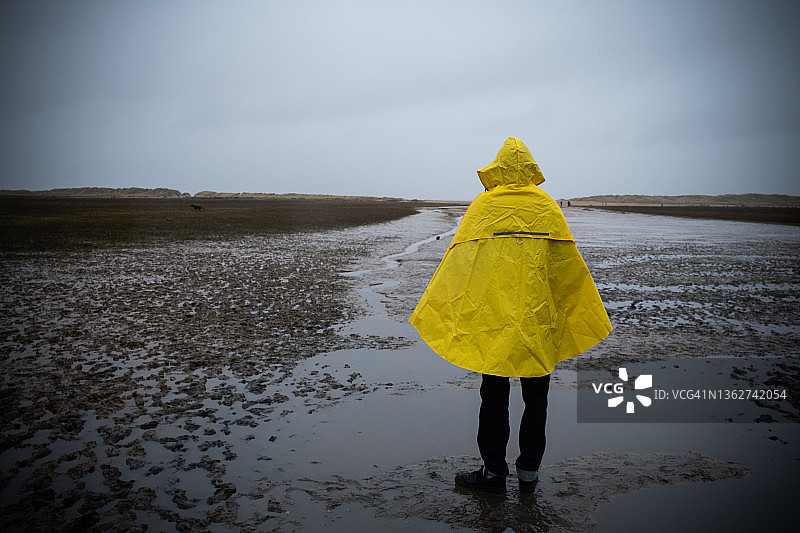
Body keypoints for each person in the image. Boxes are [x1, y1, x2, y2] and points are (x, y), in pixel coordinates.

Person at [409, 137, 612, 494]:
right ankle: (529, 472)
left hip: (494, 323)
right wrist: (570, 312)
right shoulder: (548, 209)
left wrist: (441, 307)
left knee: (494, 395)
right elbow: (567, 272)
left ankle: (493, 473)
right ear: (530, 169)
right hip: (538, 323)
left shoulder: (483, 208)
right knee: (537, 398)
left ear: (498, 169)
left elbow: (460, 267)